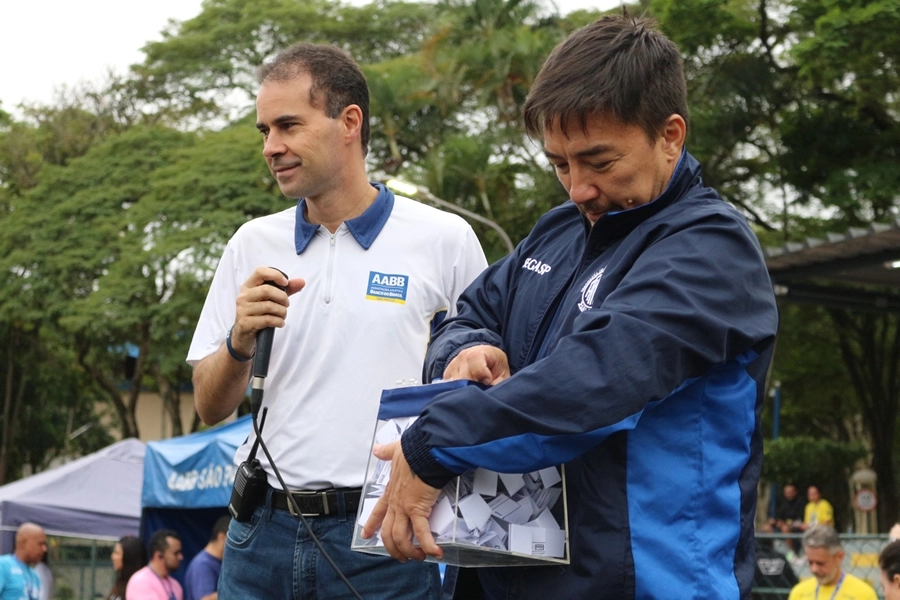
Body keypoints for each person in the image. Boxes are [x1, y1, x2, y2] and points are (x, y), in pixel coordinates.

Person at [363, 13, 780, 599]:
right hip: (504, 571)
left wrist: (432, 443)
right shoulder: (557, 231)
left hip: (642, 584)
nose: (578, 187)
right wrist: (467, 350)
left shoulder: (712, 248)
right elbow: (465, 314)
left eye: (599, 162)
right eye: (560, 164)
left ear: (670, 136)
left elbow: (596, 379)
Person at [188, 42, 487, 599]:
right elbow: (209, 406)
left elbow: (485, 382)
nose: (271, 147)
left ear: (349, 122)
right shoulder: (252, 242)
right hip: (259, 535)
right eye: (264, 131)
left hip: (385, 534)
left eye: (288, 126)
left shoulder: (445, 239)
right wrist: (238, 340)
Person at [787, 525, 876, 600]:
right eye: (810, 562)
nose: (814, 569)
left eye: (821, 563)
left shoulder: (863, 594)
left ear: (839, 557)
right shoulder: (798, 593)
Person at [125, 529, 183, 600]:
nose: (181, 557)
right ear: (159, 555)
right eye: (176, 553)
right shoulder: (141, 582)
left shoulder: (176, 586)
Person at [183, 516, 230, 600]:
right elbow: (204, 599)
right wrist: (236, 592)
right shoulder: (202, 565)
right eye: (233, 540)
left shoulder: (220, 562)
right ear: (222, 537)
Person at [0, 523, 46, 600]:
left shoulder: (35, 576)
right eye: (40, 544)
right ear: (24, 542)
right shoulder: (3, 566)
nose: (44, 549)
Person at [763, 484, 807, 553]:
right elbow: (779, 517)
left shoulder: (800, 502)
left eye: (790, 492)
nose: (788, 494)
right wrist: (774, 521)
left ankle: (792, 552)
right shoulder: (782, 503)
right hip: (782, 525)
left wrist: (785, 523)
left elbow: (799, 520)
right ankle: (774, 549)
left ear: (795, 492)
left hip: (795, 527)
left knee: (785, 528)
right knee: (766, 527)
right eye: (786, 492)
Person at [109, 535, 147, 600]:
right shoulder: (121, 583)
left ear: (129, 557)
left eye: (117, 553)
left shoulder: (140, 586)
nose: (112, 557)